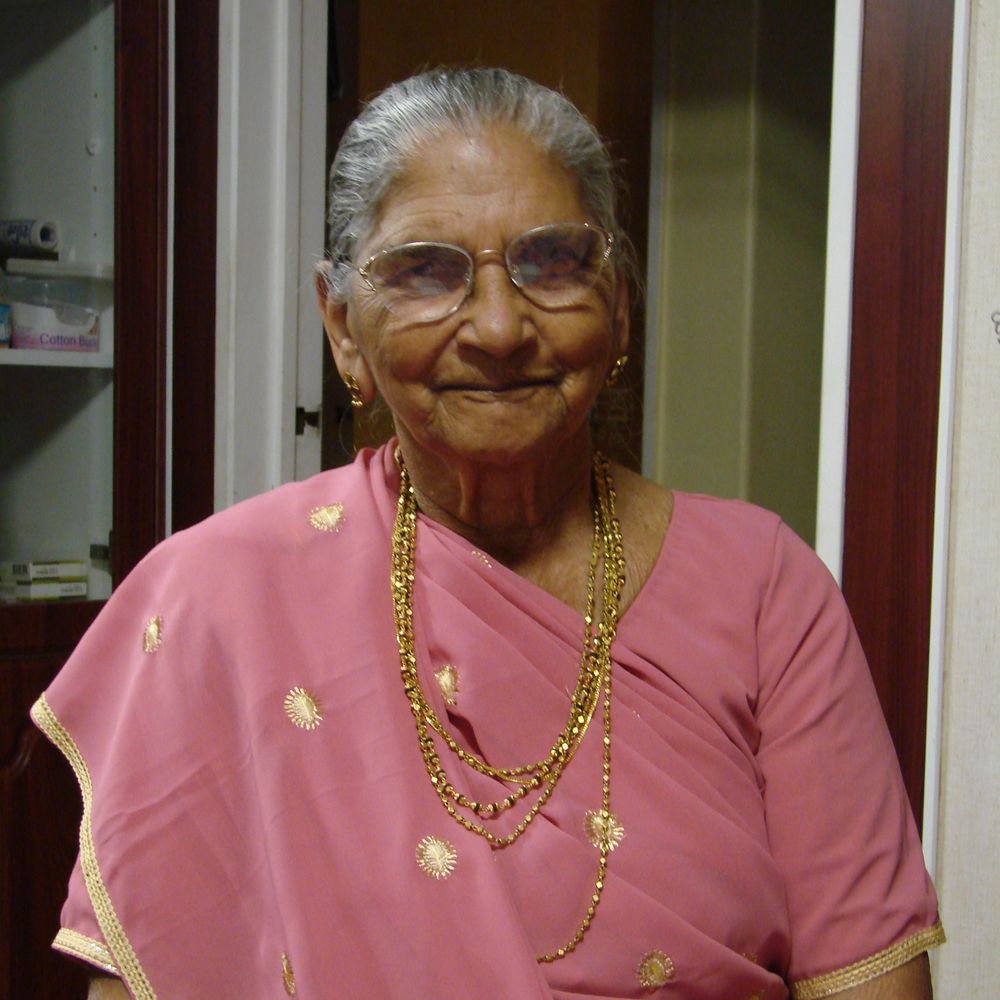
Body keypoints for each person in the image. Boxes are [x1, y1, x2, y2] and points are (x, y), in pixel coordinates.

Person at [35, 68, 942, 999]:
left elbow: (871, 977)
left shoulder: (763, 589)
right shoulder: (219, 598)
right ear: (342, 327)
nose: (501, 328)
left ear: (619, 303)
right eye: (426, 271)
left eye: (553, 263)